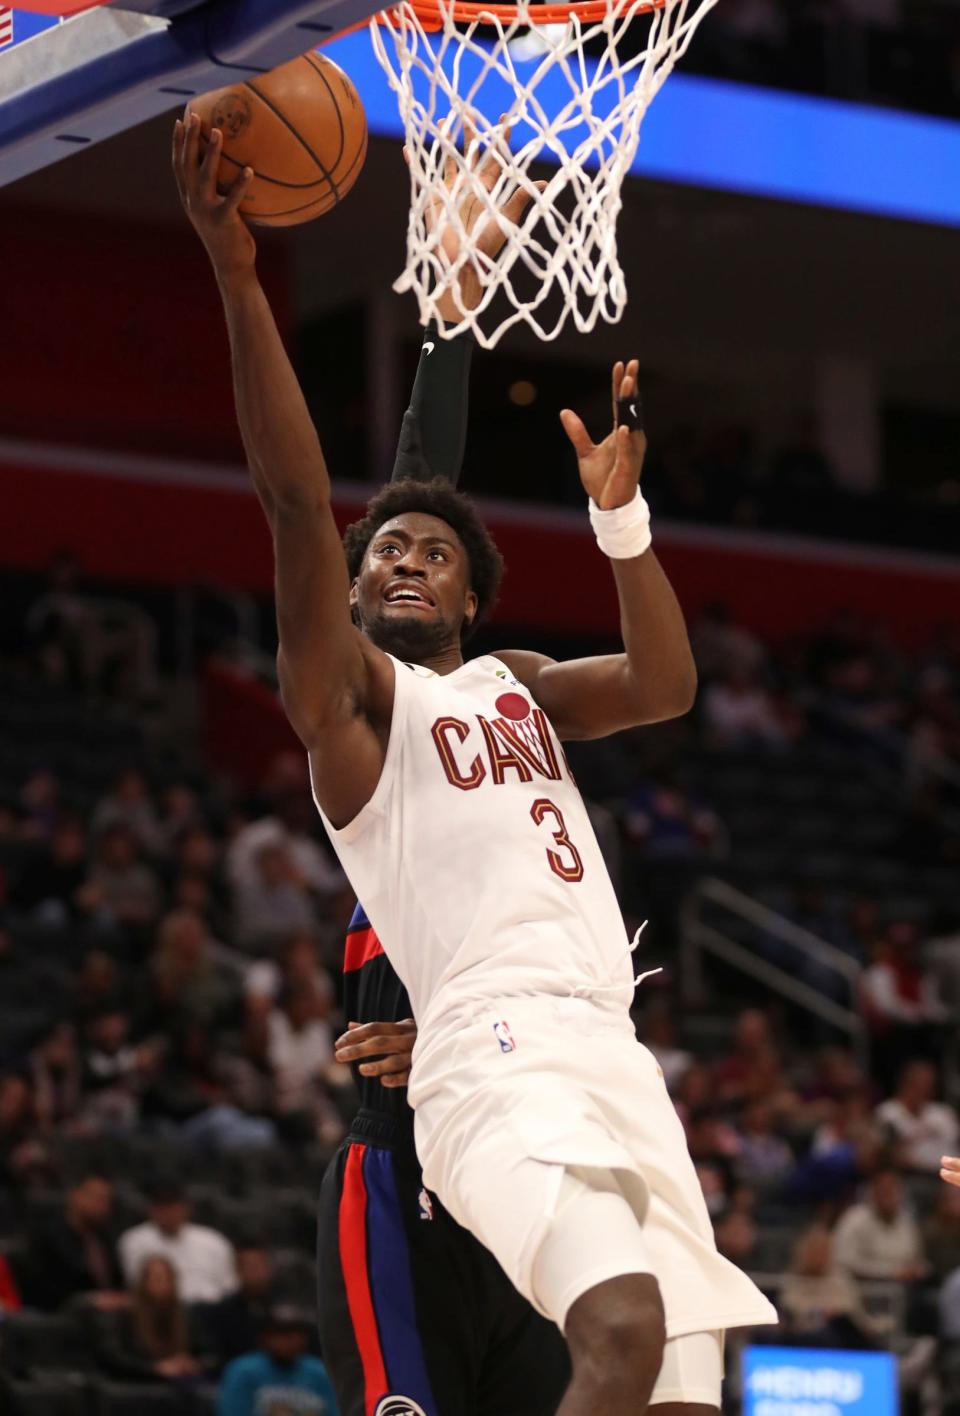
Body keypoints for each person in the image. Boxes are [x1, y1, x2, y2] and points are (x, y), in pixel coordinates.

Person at [174, 111, 775, 1416]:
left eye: (426, 548)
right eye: (378, 546)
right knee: (615, 1332)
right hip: (490, 1054)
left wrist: (622, 521)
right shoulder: (355, 708)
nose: (393, 555)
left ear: (470, 592)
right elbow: (293, 501)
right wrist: (234, 272)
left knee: (678, 1387)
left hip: (610, 1052)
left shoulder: (519, 690)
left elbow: (665, 684)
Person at [119, 1178, 238, 1303]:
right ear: (151, 1209)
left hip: (210, 1311)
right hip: (160, 1311)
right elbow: (136, 1287)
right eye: (161, 1206)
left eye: (173, 1206)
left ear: (185, 1207)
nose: (168, 1212)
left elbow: (229, 1286)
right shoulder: (134, 1241)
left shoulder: (213, 1240)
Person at [96, 1254, 210, 1382]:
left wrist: (193, 1364)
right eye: (157, 1278)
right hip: (139, 1383)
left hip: (182, 1382)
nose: (163, 1284)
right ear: (143, 1282)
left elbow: (209, 1354)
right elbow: (114, 1359)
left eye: (168, 1279)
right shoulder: (125, 1316)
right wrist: (154, 1368)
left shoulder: (186, 1314)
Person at [26, 1171, 126, 1311]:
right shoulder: (47, 1237)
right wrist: (90, 1300)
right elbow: (45, 1290)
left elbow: (117, 1282)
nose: (102, 1206)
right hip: (63, 1315)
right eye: (96, 1198)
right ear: (75, 1195)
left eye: (106, 1201)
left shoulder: (105, 1238)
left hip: (106, 1315)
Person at [832, 1168, 926, 1282]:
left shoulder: (906, 1220)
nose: (888, 1196)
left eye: (893, 1190)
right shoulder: (854, 1218)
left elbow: (916, 1259)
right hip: (860, 1286)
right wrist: (890, 1272)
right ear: (872, 1193)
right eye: (884, 1190)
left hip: (903, 1286)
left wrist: (916, 1270)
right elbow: (845, 1261)